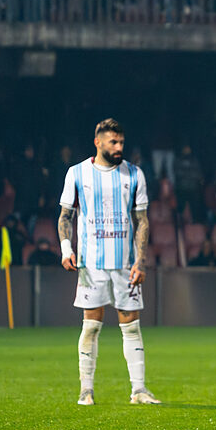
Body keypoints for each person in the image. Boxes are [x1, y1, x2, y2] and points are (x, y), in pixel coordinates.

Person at [58, 118, 160, 407]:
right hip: (91, 264)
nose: (119, 147)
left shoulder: (134, 174)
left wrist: (140, 261)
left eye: (121, 142)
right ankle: (86, 390)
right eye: (113, 142)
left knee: (132, 326)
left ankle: (139, 390)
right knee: (91, 326)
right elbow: (65, 216)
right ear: (98, 142)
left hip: (125, 265)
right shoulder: (77, 173)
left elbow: (142, 220)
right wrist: (66, 249)